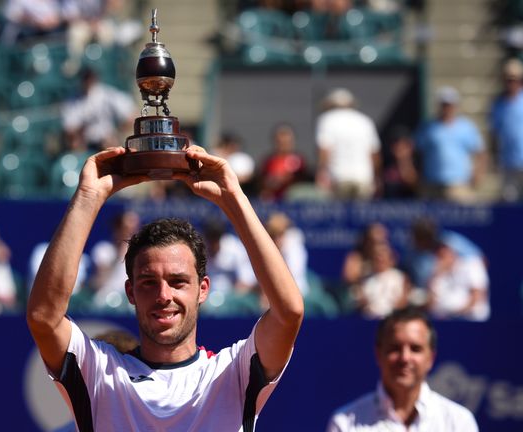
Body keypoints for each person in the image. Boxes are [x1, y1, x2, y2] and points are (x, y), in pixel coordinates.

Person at [27, 146, 304, 430]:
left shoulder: (232, 373)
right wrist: (88, 197)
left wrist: (233, 198)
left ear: (203, 289)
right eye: (149, 282)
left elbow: (289, 312)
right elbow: (44, 317)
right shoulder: (100, 374)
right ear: (130, 292)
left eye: (178, 282)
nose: (163, 296)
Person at [327, 306, 479, 431]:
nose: (405, 358)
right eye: (395, 348)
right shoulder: (344, 423)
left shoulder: (459, 422)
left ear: (431, 358)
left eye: (415, 349)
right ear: (378, 354)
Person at [415, 86, 485, 203]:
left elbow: (480, 152)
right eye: (444, 104)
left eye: (450, 104)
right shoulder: (427, 128)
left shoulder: (466, 127)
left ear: (456, 106)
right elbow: (418, 152)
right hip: (432, 184)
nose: (447, 108)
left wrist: (478, 173)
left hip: (458, 185)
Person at [315, 88, 381, 200]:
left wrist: (321, 174)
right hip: (364, 178)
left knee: (339, 215)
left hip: (338, 177)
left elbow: (324, 150)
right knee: (361, 215)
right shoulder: (365, 121)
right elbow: (374, 153)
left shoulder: (327, 119)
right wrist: (376, 177)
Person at [489, 58, 523, 202]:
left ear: (521, 80)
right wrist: (495, 157)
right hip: (509, 164)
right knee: (510, 203)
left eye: (514, 79)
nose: (511, 83)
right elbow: (494, 133)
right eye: (508, 79)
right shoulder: (498, 105)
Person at [60, 67, 137, 152]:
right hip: (85, 143)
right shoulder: (73, 100)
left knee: (111, 146)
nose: (88, 81)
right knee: (74, 145)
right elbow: (69, 129)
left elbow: (131, 115)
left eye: (90, 78)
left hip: (106, 141)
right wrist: (79, 139)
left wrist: (117, 132)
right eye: (86, 78)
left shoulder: (106, 94)